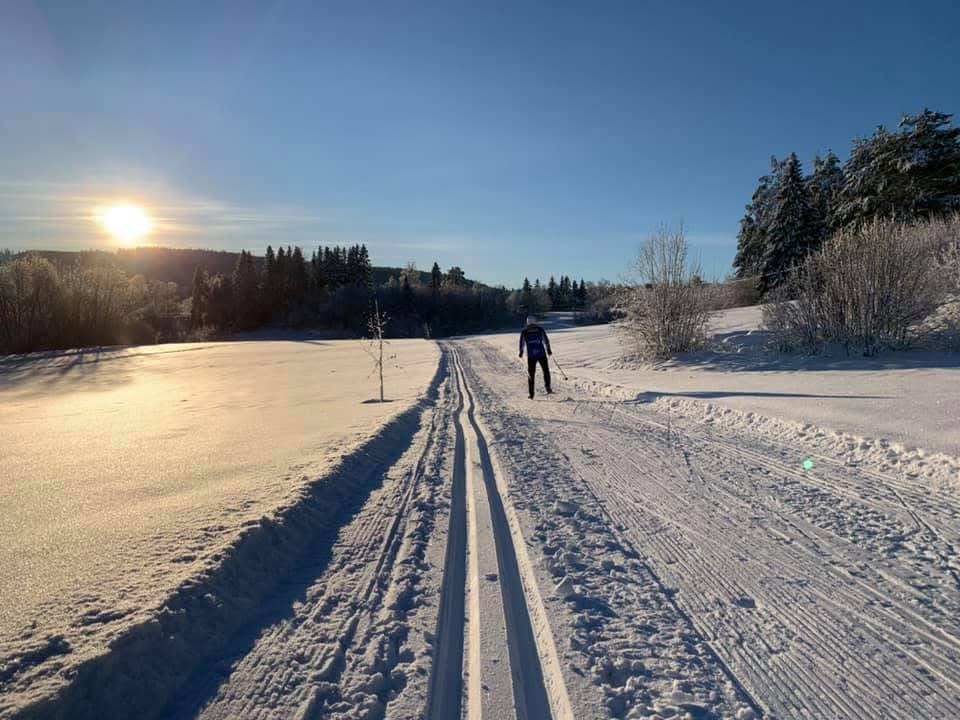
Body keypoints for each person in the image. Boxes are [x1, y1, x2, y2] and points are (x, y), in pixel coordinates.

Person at [519, 315, 552, 399]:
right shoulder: (540, 329)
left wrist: (521, 351)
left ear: (527, 322)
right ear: (535, 321)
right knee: (546, 371)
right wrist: (548, 350)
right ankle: (548, 387)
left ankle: (531, 394)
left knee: (531, 374)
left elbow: (522, 343)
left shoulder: (524, 331)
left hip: (531, 356)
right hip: (541, 354)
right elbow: (546, 340)